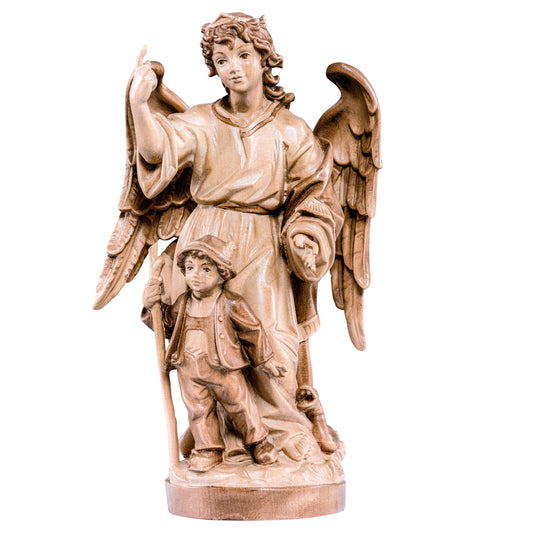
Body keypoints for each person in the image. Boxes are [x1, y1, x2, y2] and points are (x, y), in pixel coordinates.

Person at [131, 12, 343, 461]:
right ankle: (215, 441)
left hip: (263, 247)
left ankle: (276, 437)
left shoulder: (290, 130)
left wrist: (307, 235)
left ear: (265, 59)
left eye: (244, 55)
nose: (234, 68)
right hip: (205, 241)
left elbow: (317, 195)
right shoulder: (200, 121)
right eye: (222, 59)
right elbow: (154, 151)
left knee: (270, 344)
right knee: (202, 344)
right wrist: (138, 105)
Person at [143, 235, 283, 472]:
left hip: (223, 368)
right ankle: (208, 448)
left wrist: (265, 359)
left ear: (222, 274)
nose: (195, 275)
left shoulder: (231, 303)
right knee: (198, 410)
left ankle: (258, 441)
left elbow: (252, 331)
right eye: (190, 268)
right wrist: (150, 306)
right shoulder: (183, 303)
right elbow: (165, 325)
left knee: (240, 405)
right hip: (188, 367)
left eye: (205, 269)